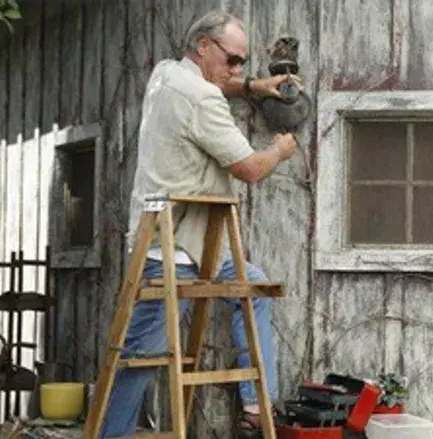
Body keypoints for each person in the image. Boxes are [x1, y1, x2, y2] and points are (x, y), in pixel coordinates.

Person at [99, 9, 299, 438]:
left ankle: (253, 406)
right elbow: (248, 167)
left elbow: (212, 84)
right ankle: (110, 434)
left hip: (192, 241)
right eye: (233, 60)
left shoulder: (166, 74)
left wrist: (252, 87)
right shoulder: (203, 100)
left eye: (242, 62)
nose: (237, 68)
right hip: (176, 246)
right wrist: (280, 150)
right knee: (142, 355)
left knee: (256, 287)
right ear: (204, 46)